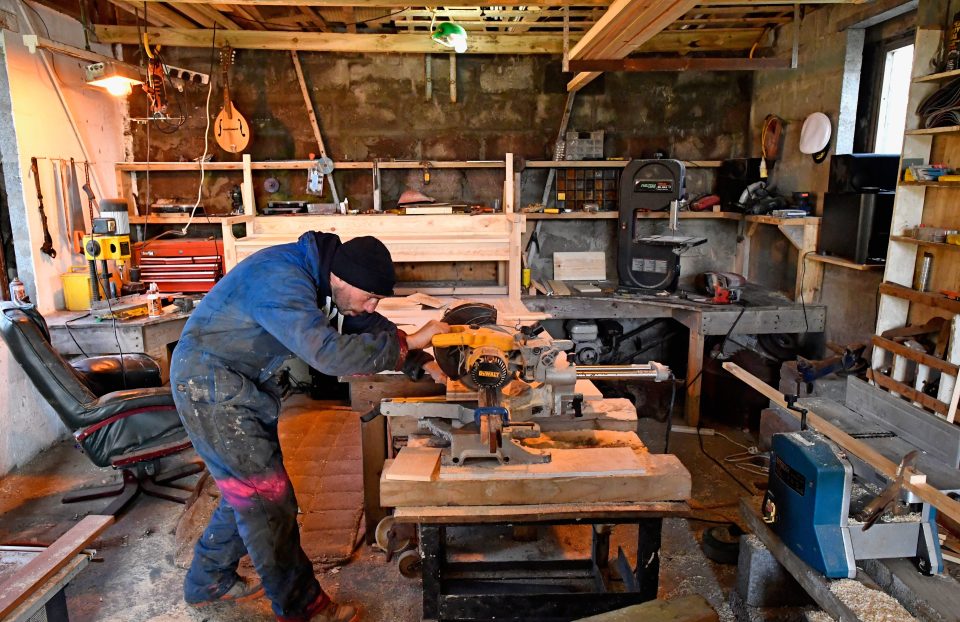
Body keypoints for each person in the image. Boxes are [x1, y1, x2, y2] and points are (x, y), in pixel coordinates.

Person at [170, 232, 449, 621]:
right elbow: (326, 354)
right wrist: (408, 344)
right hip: (209, 385)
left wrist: (419, 358)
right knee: (267, 498)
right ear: (342, 279)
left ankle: (208, 581)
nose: (372, 305)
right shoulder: (281, 279)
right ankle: (304, 608)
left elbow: (364, 322)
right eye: (369, 296)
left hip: (237, 384)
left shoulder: (327, 274)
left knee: (248, 490)